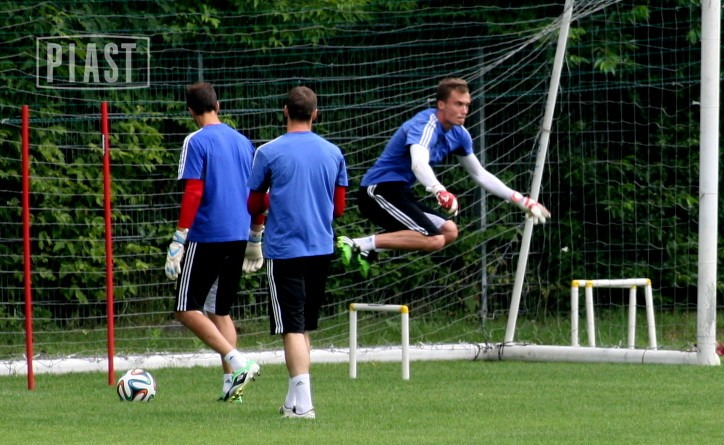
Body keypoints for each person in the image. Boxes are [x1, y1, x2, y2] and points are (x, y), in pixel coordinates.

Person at [338, 77, 551, 277]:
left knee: (449, 231)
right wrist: (439, 190)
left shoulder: (460, 134)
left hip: (399, 193)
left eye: (467, 105)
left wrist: (520, 200)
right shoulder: (426, 124)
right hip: (377, 191)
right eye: (458, 104)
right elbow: (418, 163)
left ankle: (366, 247)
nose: (464, 110)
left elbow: (479, 174)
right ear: (441, 104)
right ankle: (358, 244)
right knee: (433, 239)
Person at [247, 86, 348, 419]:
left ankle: (304, 405)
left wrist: (276, 200)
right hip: (321, 247)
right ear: (315, 114)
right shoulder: (333, 152)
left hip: (285, 249)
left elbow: (254, 203)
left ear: (285, 111)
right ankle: (292, 401)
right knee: (302, 325)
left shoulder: (268, 151)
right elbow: (339, 208)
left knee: (291, 325)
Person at [164, 82, 263, 403]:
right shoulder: (243, 142)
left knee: (185, 308)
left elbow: (194, 190)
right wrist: (255, 236)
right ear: (217, 106)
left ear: (190, 111)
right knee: (219, 311)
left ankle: (238, 361)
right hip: (238, 234)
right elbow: (258, 192)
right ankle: (232, 384)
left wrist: (179, 238)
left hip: (208, 234)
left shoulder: (196, 140)